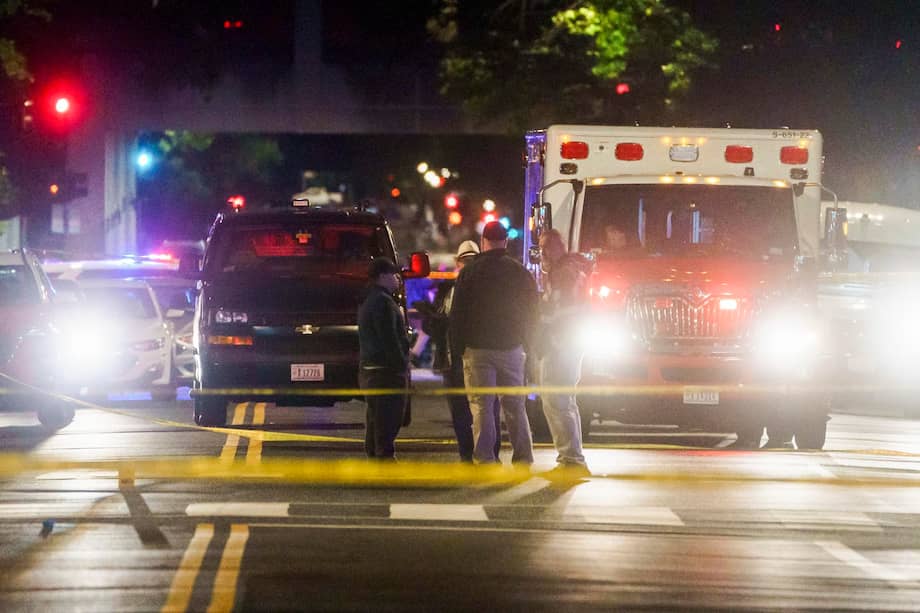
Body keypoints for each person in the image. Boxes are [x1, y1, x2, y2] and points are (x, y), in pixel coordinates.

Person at [449, 221, 538, 464]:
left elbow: (458, 314)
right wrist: (529, 347)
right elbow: (532, 313)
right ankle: (523, 457)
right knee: (515, 406)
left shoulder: (469, 273)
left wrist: (457, 348)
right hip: (512, 347)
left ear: (483, 242)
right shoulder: (520, 272)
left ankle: (485, 458)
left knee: (482, 406)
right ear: (506, 242)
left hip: (477, 350)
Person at [419, 240, 501, 462]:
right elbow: (433, 328)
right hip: (452, 360)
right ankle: (467, 455)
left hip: (476, 357)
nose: (468, 265)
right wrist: (432, 318)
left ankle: (489, 454)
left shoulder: (486, 290)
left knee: (486, 409)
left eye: (472, 260)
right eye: (465, 261)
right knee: (461, 413)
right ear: (458, 263)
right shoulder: (447, 291)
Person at [537, 229, 591, 476]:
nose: (543, 253)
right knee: (565, 401)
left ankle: (571, 460)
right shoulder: (573, 269)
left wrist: (545, 335)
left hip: (561, 344)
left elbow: (555, 312)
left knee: (556, 400)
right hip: (571, 343)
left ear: (556, 247)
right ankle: (571, 458)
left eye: (545, 247)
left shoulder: (563, 273)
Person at [357, 257, 410, 460]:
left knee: (376, 416)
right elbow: (389, 338)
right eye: (393, 274)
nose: (397, 278)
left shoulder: (369, 299)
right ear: (382, 277)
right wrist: (401, 364)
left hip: (371, 370)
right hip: (386, 371)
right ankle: (384, 458)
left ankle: (375, 454)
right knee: (388, 416)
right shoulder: (383, 302)